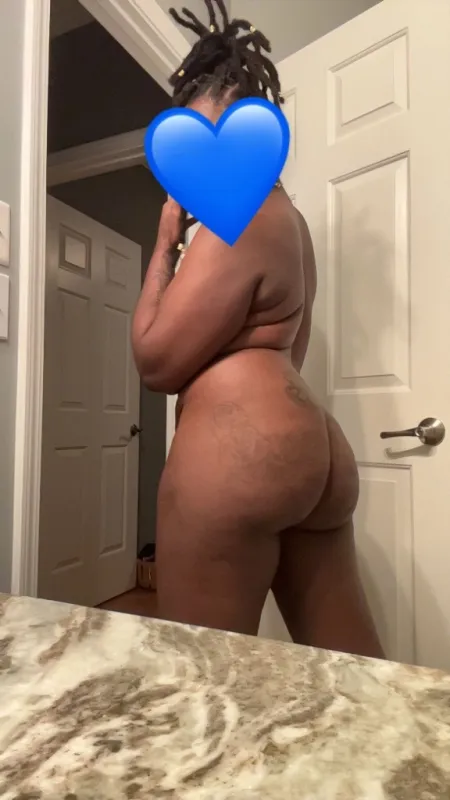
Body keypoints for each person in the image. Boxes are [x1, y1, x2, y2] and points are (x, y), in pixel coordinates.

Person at [132, 0, 384, 659]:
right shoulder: (290, 222)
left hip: (238, 459)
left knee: (201, 680)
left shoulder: (235, 219)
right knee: (353, 680)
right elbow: (287, 353)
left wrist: (164, 243)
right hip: (318, 458)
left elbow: (155, 361)